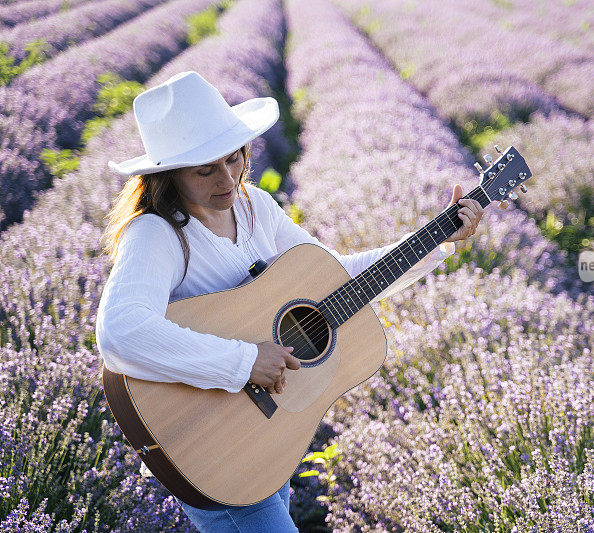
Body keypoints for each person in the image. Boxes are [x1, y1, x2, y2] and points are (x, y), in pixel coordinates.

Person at [95, 71, 484, 532]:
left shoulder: (254, 206)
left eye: (234, 158)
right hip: (212, 450)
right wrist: (242, 362)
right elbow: (120, 331)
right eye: (205, 169)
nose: (228, 178)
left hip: (267, 433)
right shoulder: (157, 233)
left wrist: (438, 241)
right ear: (166, 174)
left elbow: (334, 278)